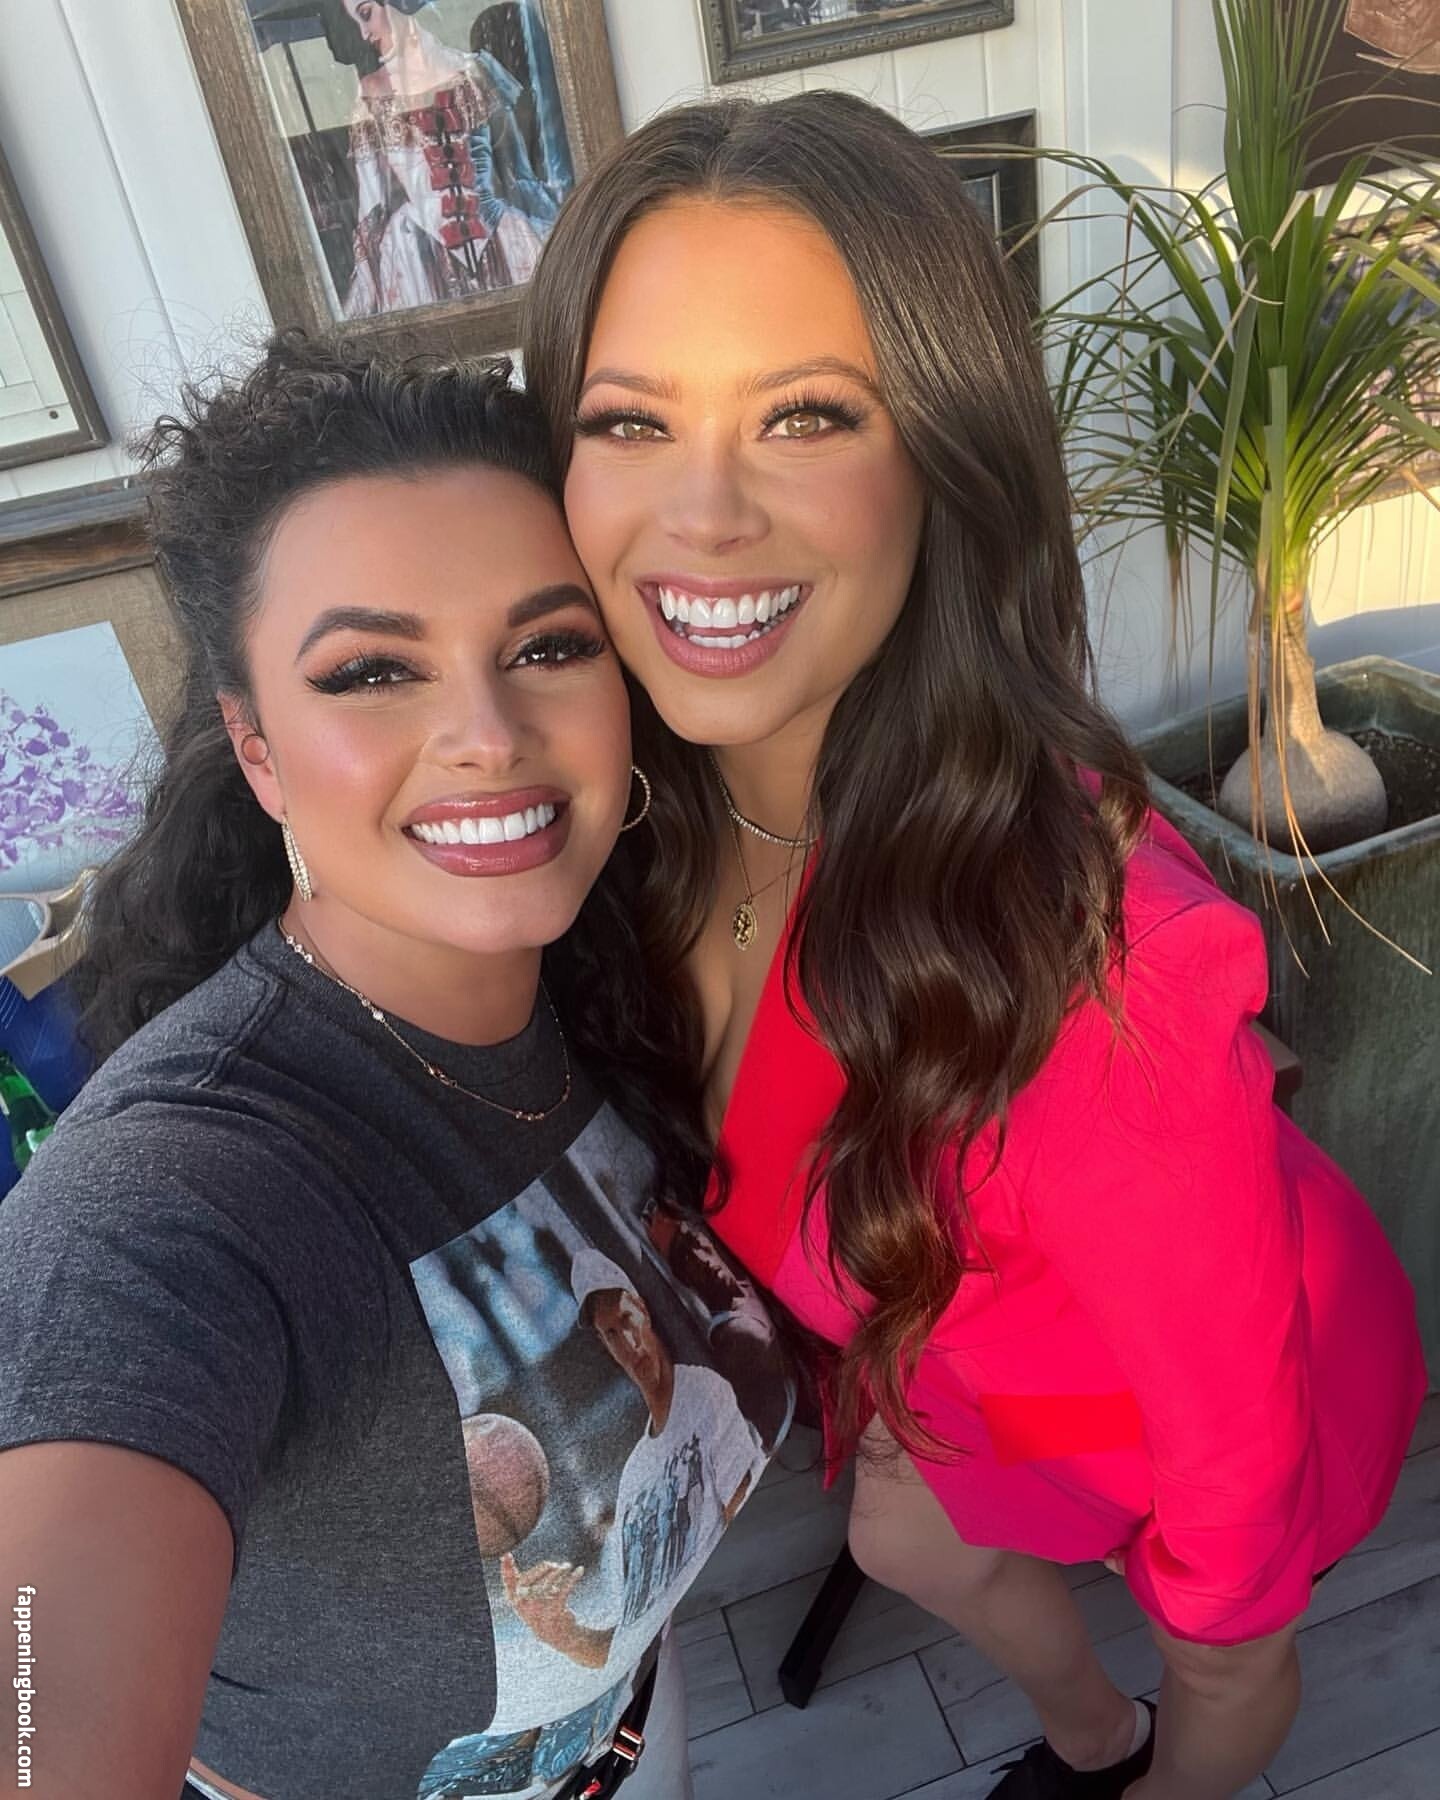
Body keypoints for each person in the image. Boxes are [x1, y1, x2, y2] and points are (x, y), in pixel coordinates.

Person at [520, 91, 1428, 1800]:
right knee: (901, 1530)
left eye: (805, 414)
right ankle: (1086, 1743)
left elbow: (1238, 1626)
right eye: (629, 421)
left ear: (946, 459)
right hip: (952, 1371)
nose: (699, 515)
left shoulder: (1097, 973)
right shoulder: (646, 830)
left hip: (1186, 1396)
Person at [0, 335, 787, 1800]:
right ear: (257, 750)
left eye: (549, 646)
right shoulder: (169, 1204)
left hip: (646, 1730)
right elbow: (44, 1708)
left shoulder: (620, 976)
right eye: (372, 670)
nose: (487, 736)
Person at [501, 1249, 764, 1673]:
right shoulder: (635, 1474)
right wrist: (561, 1633)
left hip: (733, 1617)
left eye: (626, 1321)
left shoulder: (704, 1393)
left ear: (643, 1310)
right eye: (610, 1334)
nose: (626, 1342)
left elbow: (745, 1522)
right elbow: (622, 1642)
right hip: (676, 1657)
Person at [336, 0, 562, 316]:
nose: (365, 34)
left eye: (365, 14)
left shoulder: (474, 72)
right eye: (356, 21)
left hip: (501, 234)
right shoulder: (370, 96)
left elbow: (517, 170)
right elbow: (371, 206)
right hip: (416, 250)